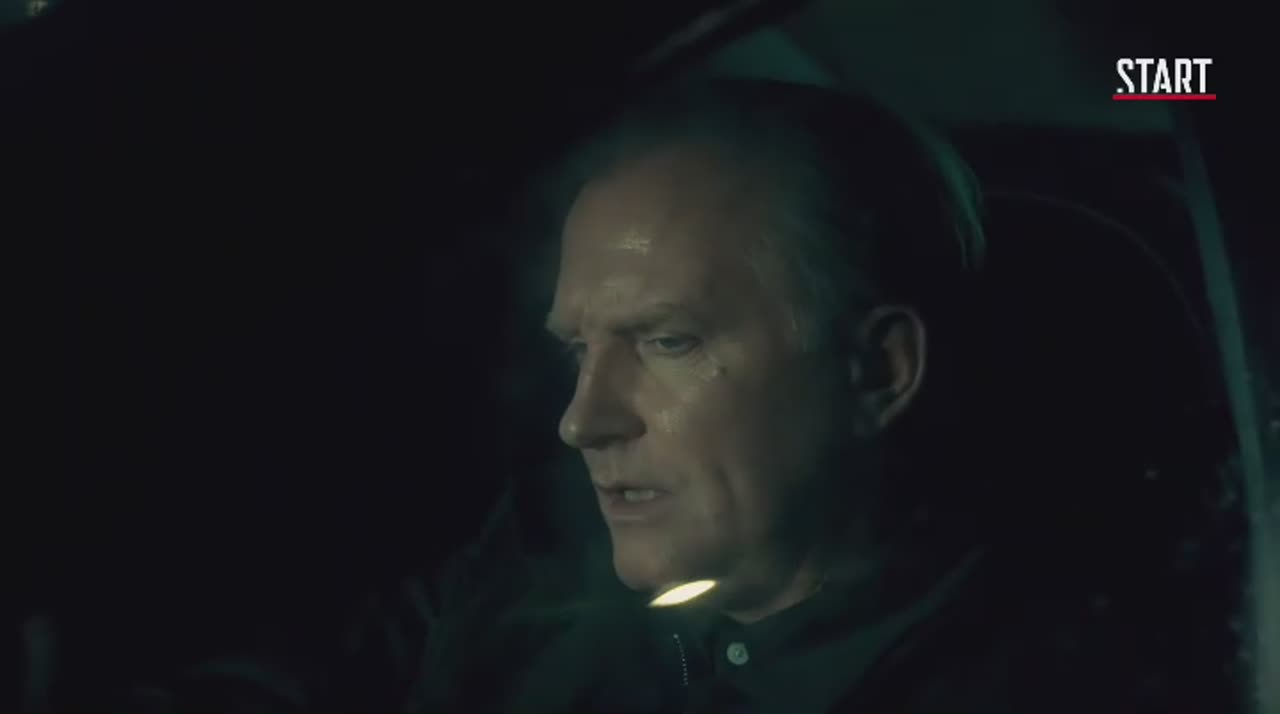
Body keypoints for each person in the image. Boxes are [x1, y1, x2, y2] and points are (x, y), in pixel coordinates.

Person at [26, 78, 1218, 714]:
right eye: (575, 351)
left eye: (667, 340)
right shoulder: (541, 555)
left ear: (877, 371)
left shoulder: (1062, 682)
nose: (582, 420)